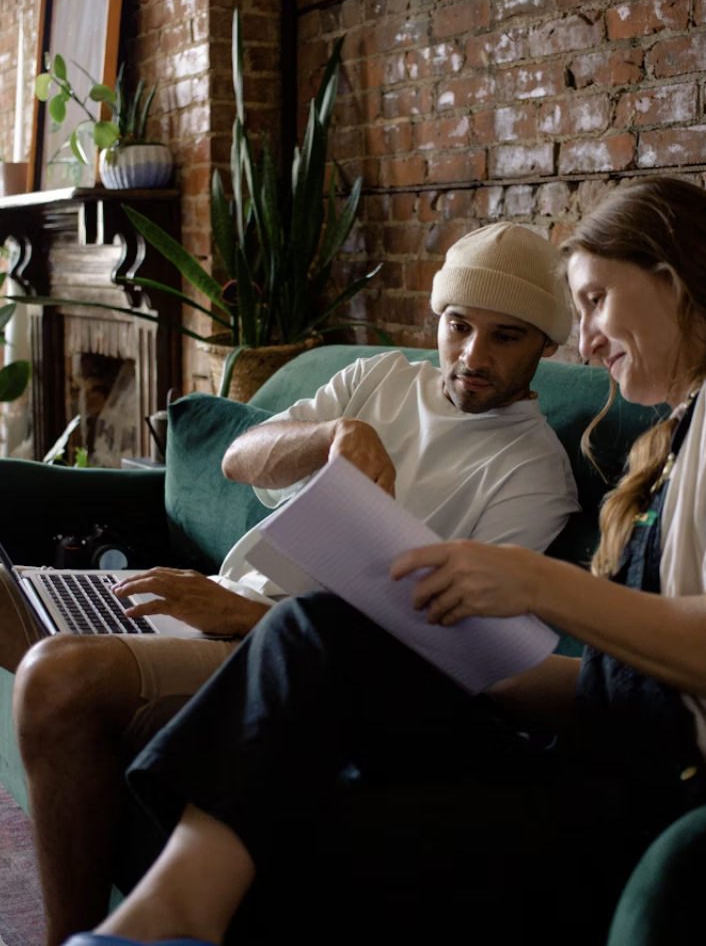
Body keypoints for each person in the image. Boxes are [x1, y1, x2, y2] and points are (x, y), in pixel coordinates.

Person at [68, 177, 706, 946]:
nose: (590, 337)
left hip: (626, 798)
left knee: (304, 658)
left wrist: (544, 586)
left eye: (597, 301)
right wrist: (473, 661)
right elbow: (622, 687)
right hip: (582, 746)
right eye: (580, 311)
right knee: (320, 631)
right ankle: (163, 921)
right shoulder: (675, 435)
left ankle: (157, 924)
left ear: (674, 280)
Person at [3, 222, 579, 946]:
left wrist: (243, 614)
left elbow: (453, 650)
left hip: (281, 650)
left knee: (57, 676)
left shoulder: (533, 472)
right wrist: (334, 434)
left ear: (547, 346)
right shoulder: (380, 377)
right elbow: (239, 460)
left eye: (506, 337)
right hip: (214, 606)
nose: (471, 356)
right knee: (10, 607)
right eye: (459, 326)